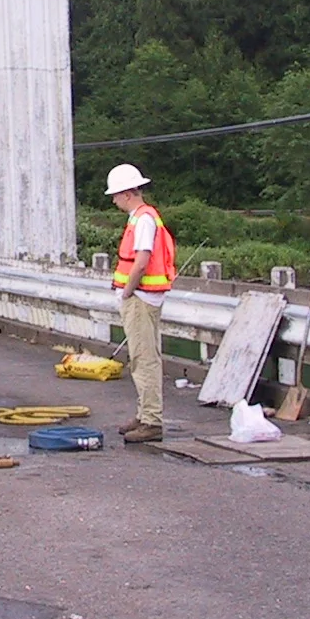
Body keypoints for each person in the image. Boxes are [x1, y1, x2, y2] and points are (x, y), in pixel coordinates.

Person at [106, 163, 176, 443]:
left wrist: (127, 292)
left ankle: (151, 420)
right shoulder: (143, 217)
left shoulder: (143, 219)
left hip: (140, 297)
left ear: (126, 193)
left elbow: (141, 261)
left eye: (115, 195)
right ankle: (145, 414)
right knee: (144, 357)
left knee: (143, 359)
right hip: (145, 296)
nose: (113, 201)